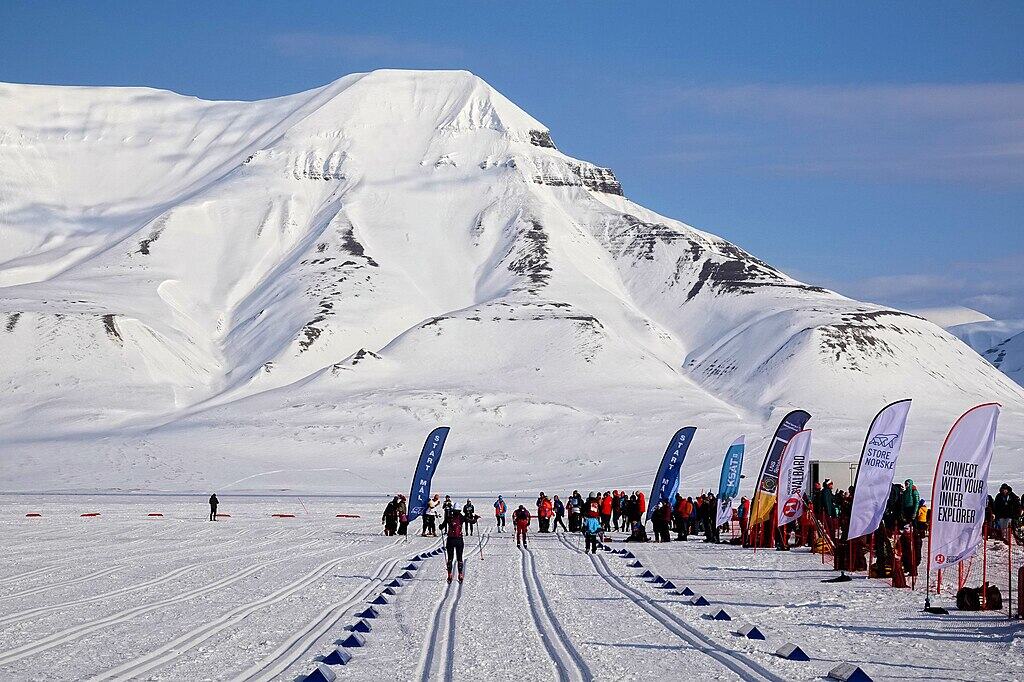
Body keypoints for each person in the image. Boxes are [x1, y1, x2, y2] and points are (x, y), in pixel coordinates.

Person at [438, 507, 466, 583]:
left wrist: (440, 526)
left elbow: (441, 527)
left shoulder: (449, 517)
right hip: (459, 540)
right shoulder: (461, 517)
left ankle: (449, 574)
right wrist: (476, 518)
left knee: (450, 558)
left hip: (450, 540)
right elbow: (472, 521)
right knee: (459, 558)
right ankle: (460, 574)